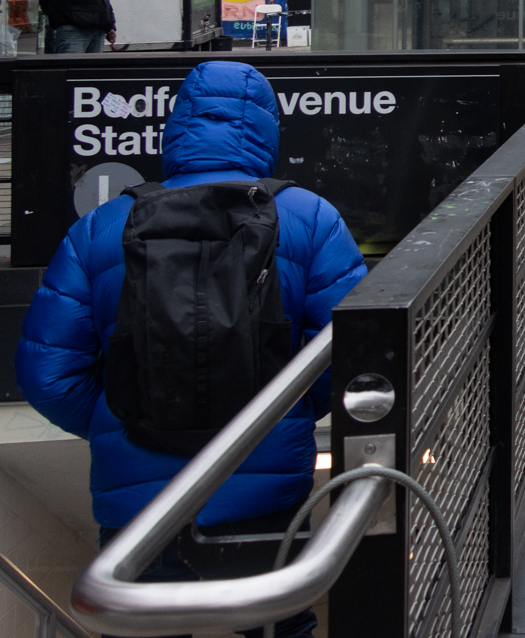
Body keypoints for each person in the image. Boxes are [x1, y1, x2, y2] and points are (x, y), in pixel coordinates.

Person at [15, 61, 365, 638]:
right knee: (275, 622)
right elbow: (352, 352)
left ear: (174, 127)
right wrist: (282, 412)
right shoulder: (310, 218)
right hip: (266, 488)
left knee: (142, 627)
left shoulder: (102, 226)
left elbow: (47, 372)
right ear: (267, 129)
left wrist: (121, 416)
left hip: (140, 506)